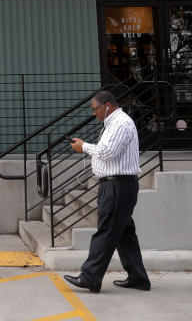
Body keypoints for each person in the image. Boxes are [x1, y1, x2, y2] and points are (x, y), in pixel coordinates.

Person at [63, 90, 150, 293]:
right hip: (117, 185)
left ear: (107, 106)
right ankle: (138, 277)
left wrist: (83, 147)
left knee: (106, 231)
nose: (94, 114)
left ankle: (90, 277)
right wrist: (84, 147)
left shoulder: (120, 123)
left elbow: (107, 152)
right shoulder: (113, 123)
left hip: (117, 186)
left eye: (95, 109)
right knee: (124, 234)